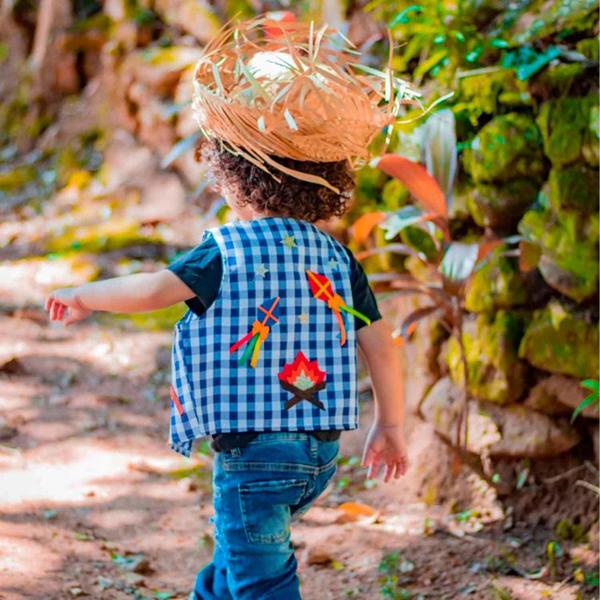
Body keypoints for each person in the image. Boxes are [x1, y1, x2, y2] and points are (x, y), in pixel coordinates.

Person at [45, 15, 414, 600]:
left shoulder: (223, 252)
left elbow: (150, 291)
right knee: (239, 557)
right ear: (328, 182)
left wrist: (84, 296)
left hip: (254, 460)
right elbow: (380, 344)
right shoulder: (338, 260)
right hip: (318, 455)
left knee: (263, 579)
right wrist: (390, 425)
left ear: (229, 175)